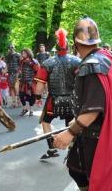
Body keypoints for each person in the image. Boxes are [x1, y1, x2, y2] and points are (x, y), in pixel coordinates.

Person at [53, 17, 112, 191]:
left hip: (97, 136)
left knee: (100, 182)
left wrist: (69, 132)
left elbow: (92, 110)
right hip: (91, 134)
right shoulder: (106, 58)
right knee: (77, 171)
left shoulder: (91, 66)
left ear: (75, 43)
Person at [34, 28, 81, 159]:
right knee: (71, 123)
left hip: (53, 101)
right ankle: (73, 150)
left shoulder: (48, 63)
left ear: (56, 47)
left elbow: (39, 86)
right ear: (68, 47)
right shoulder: (77, 62)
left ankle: (51, 148)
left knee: (45, 121)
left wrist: (38, 98)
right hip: (72, 100)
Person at [18, 48, 39, 116]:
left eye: (24, 53)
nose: (23, 54)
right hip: (23, 82)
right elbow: (20, 70)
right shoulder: (21, 61)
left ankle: (31, 110)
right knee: (21, 95)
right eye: (22, 53)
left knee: (31, 97)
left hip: (31, 82)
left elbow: (37, 72)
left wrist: (35, 81)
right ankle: (25, 109)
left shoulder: (34, 61)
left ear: (28, 53)